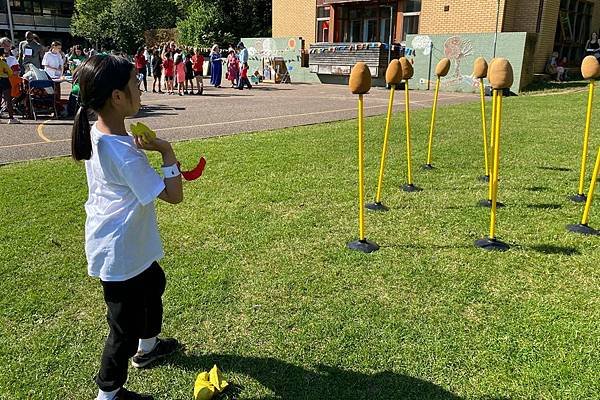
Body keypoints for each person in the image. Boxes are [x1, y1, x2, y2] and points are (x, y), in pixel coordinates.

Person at [71, 55, 183, 400]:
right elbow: (173, 195)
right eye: (135, 83)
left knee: (154, 284)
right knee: (123, 328)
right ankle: (109, 394)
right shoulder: (124, 153)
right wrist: (165, 152)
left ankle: (148, 348)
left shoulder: (101, 132)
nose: (140, 88)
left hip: (129, 242)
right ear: (117, 97)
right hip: (119, 250)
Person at [0, 47, 19, 124]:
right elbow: (10, 73)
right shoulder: (3, 62)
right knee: (8, 100)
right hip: (4, 80)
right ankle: (11, 118)